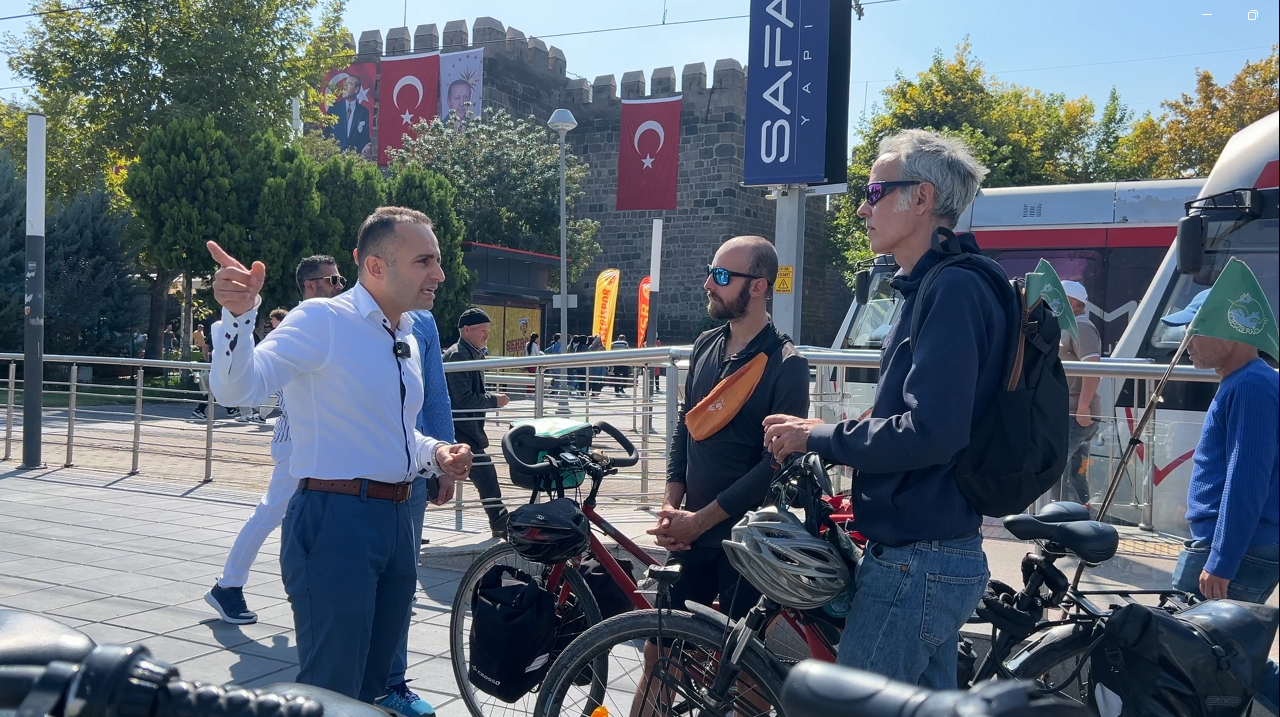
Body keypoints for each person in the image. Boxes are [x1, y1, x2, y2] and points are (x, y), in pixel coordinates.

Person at [763, 130, 999, 689]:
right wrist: (825, 432)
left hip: (918, 560)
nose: (863, 208)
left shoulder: (951, 289)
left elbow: (931, 431)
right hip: (931, 551)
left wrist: (820, 437)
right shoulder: (940, 283)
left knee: (852, 706)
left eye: (874, 191)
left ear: (922, 198)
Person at [207, 206, 472, 702]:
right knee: (332, 689)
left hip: (397, 520)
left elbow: (393, 433)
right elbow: (237, 388)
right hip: (336, 521)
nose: (438, 274)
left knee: (374, 686)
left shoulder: (406, 332)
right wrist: (238, 318)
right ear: (375, 266)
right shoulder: (322, 319)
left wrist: (436, 452)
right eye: (424, 261)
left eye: (436, 260)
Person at [640, 235, 810, 702]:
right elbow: (686, 427)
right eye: (710, 273)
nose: (707, 285)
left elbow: (773, 467)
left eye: (720, 276)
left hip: (746, 544)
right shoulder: (705, 344)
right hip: (691, 534)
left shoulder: (787, 364)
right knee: (659, 655)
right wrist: (670, 509)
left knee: (747, 674)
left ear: (757, 286)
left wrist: (700, 520)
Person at [204, 257, 345, 626]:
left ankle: (318, 593)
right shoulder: (301, 324)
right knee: (270, 512)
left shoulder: (332, 322)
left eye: (341, 279)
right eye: (333, 279)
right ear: (311, 285)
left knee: (317, 518)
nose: (340, 286)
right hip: (297, 442)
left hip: (320, 443)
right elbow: (254, 383)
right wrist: (238, 317)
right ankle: (228, 585)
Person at [1162, 288, 1280, 715]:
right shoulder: (1247, 381)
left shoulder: (1251, 386)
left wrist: (1222, 559)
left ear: (1231, 333)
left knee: (1205, 653)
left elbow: (1247, 480)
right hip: (1231, 545)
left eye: (1196, 330)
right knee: (1217, 654)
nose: (1186, 342)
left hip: (1233, 550)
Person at [444, 307, 511, 537]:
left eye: (487, 331)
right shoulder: (459, 355)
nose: (486, 335)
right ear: (466, 330)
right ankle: (500, 521)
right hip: (457, 427)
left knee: (436, 477)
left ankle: (499, 521)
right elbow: (463, 399)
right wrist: (494, 400)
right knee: (484, 471)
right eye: (482, 330)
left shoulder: (470, 352)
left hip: (463, 427)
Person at [1058, 280, 1102, 506]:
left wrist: (1083, 407)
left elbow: (1093, 369)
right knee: (1072, 472)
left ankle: (1059, 515)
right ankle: (1079, 513)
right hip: (1070, 411)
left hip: (1075, 412)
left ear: (1072, 302)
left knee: (1057, 468)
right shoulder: (1070, 326)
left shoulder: (1080, 327)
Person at [324, 75, 371, 156]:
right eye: (344, 84)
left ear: (356, 89)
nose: (344, 87)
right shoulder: (334, 109)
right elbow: (325, 132)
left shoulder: (363, 112)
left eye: (349, 84)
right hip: (336, 156)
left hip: (354, 157)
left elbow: (365, 136)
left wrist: (368, 145)